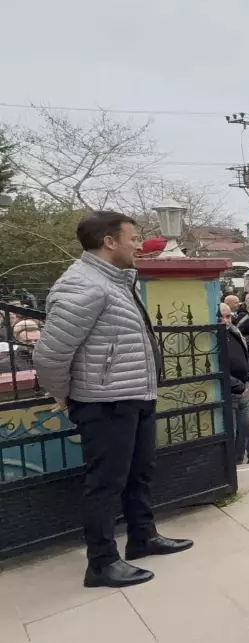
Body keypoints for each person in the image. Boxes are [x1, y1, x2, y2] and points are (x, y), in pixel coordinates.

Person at [33, 210, 193, 589]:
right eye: (133, 237)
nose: (138, 244)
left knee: (140, 473)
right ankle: (102, 563)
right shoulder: (84, 285)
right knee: (105, 484)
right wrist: (65, 395)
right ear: (109, 241)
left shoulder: (117, 280)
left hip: (134, 395)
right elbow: (50, 355)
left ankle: (143, 537)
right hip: (105, 403)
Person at [219, 303, 249, 464]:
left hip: (243, 388)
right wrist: (237, 385)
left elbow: (247, 357)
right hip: (230, 390)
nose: (225, 321)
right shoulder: (213, 339)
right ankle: (235, 464)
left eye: (228, 316)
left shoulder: (234, 333)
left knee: (248, 427)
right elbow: (216, 366)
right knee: (234, 431)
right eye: (221, 317)